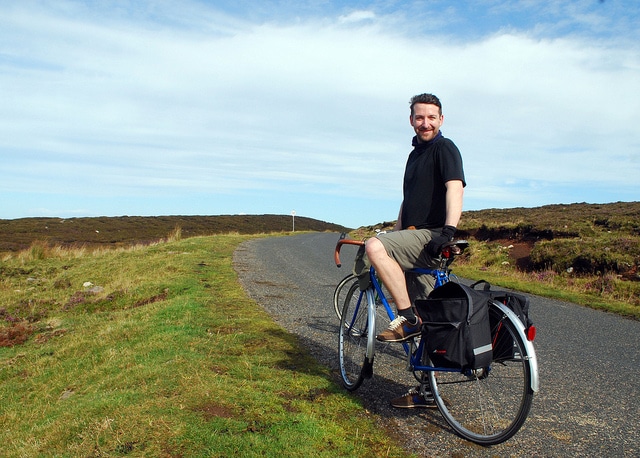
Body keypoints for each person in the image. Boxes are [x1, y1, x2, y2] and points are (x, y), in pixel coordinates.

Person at [364, 93, 465, 408]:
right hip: (412, 235)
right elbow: (409, 200)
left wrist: (448, 231)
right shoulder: (415, 155)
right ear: (412, 120)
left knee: (372, 246)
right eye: (420, 117)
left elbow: (455, 187)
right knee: (429, 315)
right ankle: (427, 391)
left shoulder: (444, 148)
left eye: (431, 117)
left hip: (430, 237)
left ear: (441, 120)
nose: (426, 123)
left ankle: (407, 319)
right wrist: (394, 235)